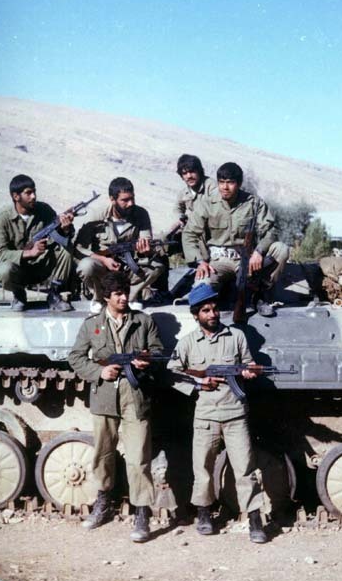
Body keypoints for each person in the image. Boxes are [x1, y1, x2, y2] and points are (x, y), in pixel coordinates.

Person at [167, 282, 267, 543]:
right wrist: (200, 383)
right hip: (206, 416)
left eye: (215, 309)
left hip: (235, 413)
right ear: (196, 315)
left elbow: (248, 363)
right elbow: (173, 374)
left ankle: (255, 519)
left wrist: (249, 372)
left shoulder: (236, 337)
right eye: (206, 310)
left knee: (245, 468)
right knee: (202, 469)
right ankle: (203, 514)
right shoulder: (187, 343)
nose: (212, 314)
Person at [68, 271, 164, 542]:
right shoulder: (92, 325)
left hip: (135, 396)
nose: (124, 298)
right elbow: (75, 357)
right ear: (106, 297)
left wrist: (147, 361)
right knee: (103, 453)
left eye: (125, 292)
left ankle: (142, 511)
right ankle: (103, 502)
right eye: (118, 294)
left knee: (138, 457)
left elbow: (158, 351)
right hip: (104, 396)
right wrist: (100, 372)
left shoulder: (143, 322)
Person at [182, 162, 289, 310]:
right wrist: (200, 262)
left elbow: (271, 230)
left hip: (247, 260)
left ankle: (261, 293)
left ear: (239, 184)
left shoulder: (254, 203)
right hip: (217, 261)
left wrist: (259, 251)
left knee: (281, 249)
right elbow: (189, 233)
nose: (225, 187)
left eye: (230, 183)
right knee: (201, 291)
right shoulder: (207, 203)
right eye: (221, 182)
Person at [75, 177, 165, 312]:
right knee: (86, 266)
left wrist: (145, 250)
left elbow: (145, 239)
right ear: (112, 199)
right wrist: (103, 260)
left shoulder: (140, 214)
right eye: (125, 200)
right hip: (103, 269)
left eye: (132, 198)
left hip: (129, 266)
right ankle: (99, 298)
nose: (131, 203)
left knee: (156, 266)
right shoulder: (96, 216)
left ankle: (130, 297)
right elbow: (79, 248)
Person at [0, 174, 74, 312]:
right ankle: (19, 295)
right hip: (18, 270)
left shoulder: (44, 210)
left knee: (66, 249)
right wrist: (29, 253)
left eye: (34, 191)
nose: (34, 196)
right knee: (3, 269)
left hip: (43, 266)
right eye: (28, 193)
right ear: (16, 196)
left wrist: (65, 229)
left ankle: (54, 294)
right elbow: (0, 253)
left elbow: (60, 237)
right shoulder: (2, 217)